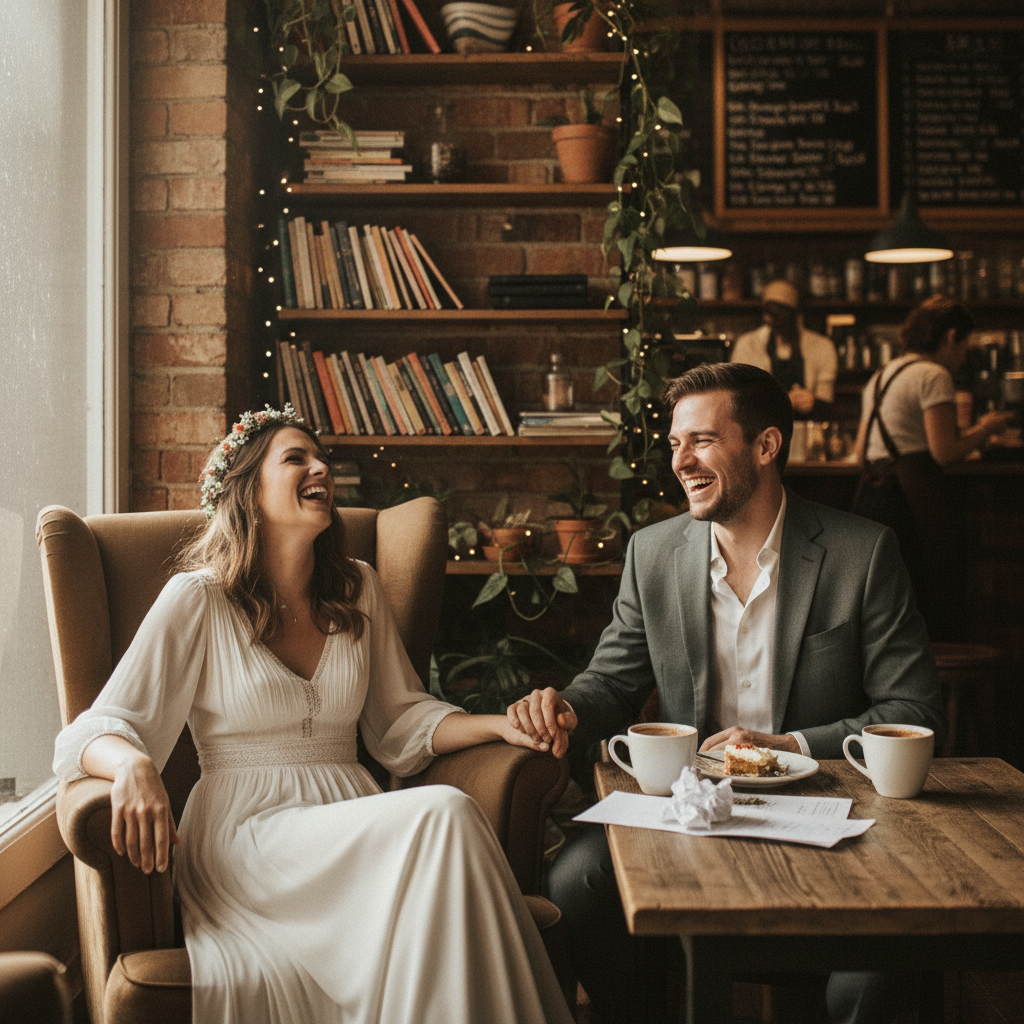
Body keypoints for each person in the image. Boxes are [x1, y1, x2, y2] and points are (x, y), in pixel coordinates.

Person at [53, 406, 573, 1024]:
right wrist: (132, 764)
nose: (320, 468)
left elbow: (401, 723)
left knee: (446, 837)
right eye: (295, 458)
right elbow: (90, 732)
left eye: (321, 457)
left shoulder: (358, 588)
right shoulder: (198, 598)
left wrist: (500, 725)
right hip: (245, 837)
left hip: (349, 821)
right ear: (249, 490)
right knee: (448, 813)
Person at [508, 363, 945, 1024]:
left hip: (832, 807)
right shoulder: (652, 554)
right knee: (577, 881)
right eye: (675, 443)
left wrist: (786, 745)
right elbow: (612, 682)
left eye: (703, 440)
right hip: (690, 808)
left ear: (766, 446)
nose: (681, 460)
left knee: (875, 968)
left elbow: (911, 710)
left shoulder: (863, 553)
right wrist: (564, 707)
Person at [852, 296, 1013, 641]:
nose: (964, 356)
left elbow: (858, 454)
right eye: (965, 345)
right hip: (912, 502)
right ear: (951, 336)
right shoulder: (933, 374)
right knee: (927, 600)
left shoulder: (881, 375)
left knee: (884, 605)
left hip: (872, 499)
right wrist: (986, 428)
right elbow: (944, 452)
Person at [730, 278, 838, 420]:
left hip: (808, 429)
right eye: (769, 311)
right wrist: (785, 401)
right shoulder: (748, 344)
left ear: (794, 313)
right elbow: (740, 399)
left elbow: (826, 400)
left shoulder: (822, 346)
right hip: (762, 429)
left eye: (779, 311)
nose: (772, 318)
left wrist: (812, 402)